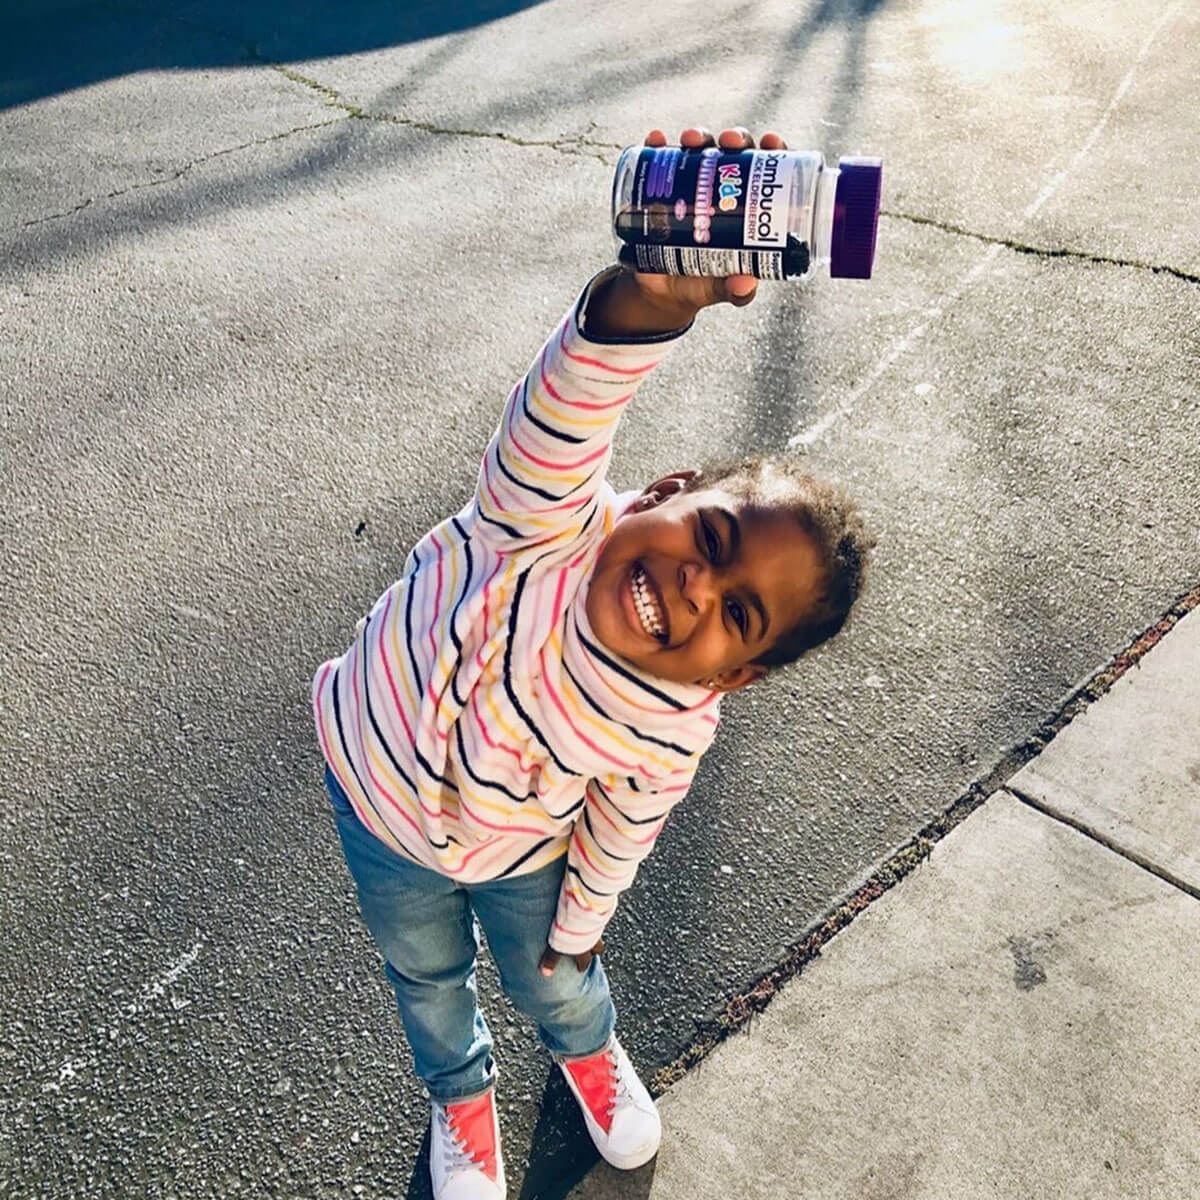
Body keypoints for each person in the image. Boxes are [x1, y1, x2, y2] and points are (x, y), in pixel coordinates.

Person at [313, 125, 873, 1200]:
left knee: (559, 986)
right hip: (376, 805)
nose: (702, 588)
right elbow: (567, 409)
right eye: (709, 540)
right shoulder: (542, 526)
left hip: (526, 857)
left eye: (739, 616)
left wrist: (576, 932)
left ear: (732, 679)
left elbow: (621, 830)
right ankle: (460, 1098)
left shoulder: (674, 722)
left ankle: (584, 1054)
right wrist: (651, 303)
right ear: (662, 494)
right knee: (424, 978)